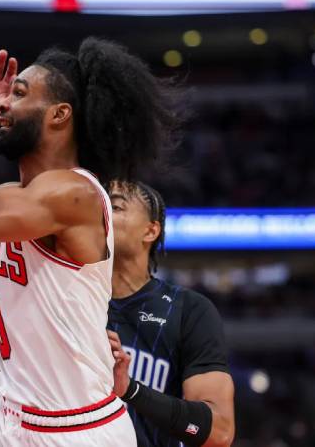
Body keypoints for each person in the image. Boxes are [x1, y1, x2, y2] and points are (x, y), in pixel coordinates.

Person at [0, 38, 178, 447]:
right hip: (4, 418)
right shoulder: (12, 201)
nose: (3, 103)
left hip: (77, 431)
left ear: (59, 115)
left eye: (17, 95)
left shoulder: (74, 195)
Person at [106, 181, 235, 447]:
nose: (102, 212)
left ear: (150, 230)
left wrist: (131, 390)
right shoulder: (67, 297)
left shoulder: (188, 309)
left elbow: (219, 431)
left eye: (115, 206)